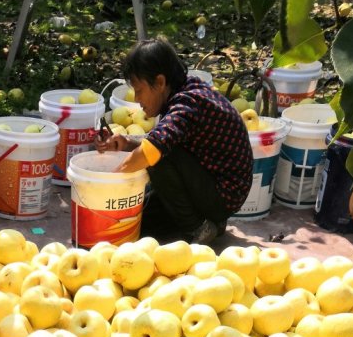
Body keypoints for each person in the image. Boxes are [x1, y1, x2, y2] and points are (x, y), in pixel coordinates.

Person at [97, 37, 253, 244]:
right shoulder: (184, 92)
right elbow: (161, 140)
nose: (136, 99)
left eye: (140, 90)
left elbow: (152, 150)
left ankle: (198, 228)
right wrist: (126, 142)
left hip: (223, 194)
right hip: (206, 183)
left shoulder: (188, 104)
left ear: (160, 82)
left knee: (159, 157)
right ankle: (212, 222)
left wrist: (104, 186)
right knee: (139, 223)